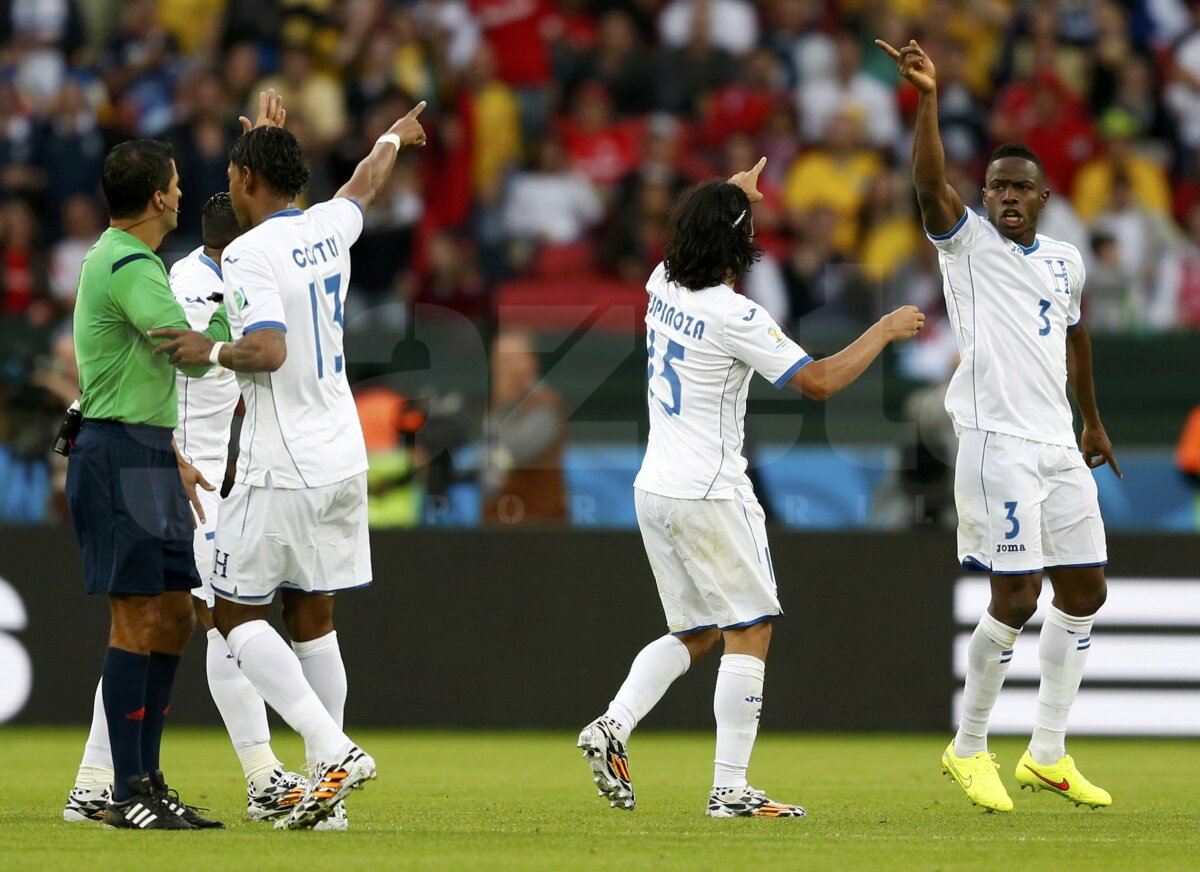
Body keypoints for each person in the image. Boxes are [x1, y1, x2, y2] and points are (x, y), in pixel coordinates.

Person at [576, 157, 925, 818]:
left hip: (655, 487)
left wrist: (733, 195)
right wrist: (883, 329)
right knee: (751, 628)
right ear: (737, 247)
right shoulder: (736, 315)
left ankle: (613, 725)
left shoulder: (660, 283)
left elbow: (703, 230)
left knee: (697, 631)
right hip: (711, 490)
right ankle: (730, 790)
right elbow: (818, 382)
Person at [149, 101, 429, 830]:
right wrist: (392, 136)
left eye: (233, 174)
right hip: (343, 455)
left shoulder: (246, 254)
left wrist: (208, 348)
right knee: (312, 618)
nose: (227, 185)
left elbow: (267, 351)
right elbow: (365, 182)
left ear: (246, 179)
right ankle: (326, 802)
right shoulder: (327, 225)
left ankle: (333, 751)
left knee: (230, 614)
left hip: (280, 462)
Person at [877, 38, 1122, 813]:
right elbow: (928, 185)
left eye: (1021, 187)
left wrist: (1091, 422)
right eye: (997, 187)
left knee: (1084, 590)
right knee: (1015, 597)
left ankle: (1046, 754)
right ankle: (968, 746)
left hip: (1058, 446)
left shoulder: (1066, 261)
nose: (1008, 196)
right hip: (996, 445)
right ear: (983, 196)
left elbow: (1077, 336)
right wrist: (927, 100)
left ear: (1043, 197)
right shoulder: (968, 245)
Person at [64, 193, 306, 825]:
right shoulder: (196, 288)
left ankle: (95, 782)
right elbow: (177, 365)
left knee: (164, 623)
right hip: (172, 475)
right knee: (214, 620)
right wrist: (170, 453)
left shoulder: (210, 273)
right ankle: (261, 775)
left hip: (191, 476)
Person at [66, 138, 232, 830]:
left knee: (172, 615)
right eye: (176, 183)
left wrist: (170, 452)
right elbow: (185, 355)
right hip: (119, 454)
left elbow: (141, 374)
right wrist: (234, 299)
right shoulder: (132, 264)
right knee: (136, 616)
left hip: (146, 451)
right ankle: (126, 789)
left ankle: (147, 781)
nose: (183, 193)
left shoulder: (121, 258)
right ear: (159, 196)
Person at [481, 328, 568, 525]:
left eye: (511, 360)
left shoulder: (545, 405)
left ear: (530, 363)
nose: (503, 369)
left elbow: (514, 453)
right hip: (499, 523)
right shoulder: (497, 404)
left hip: (538, 525)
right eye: (499, 360)